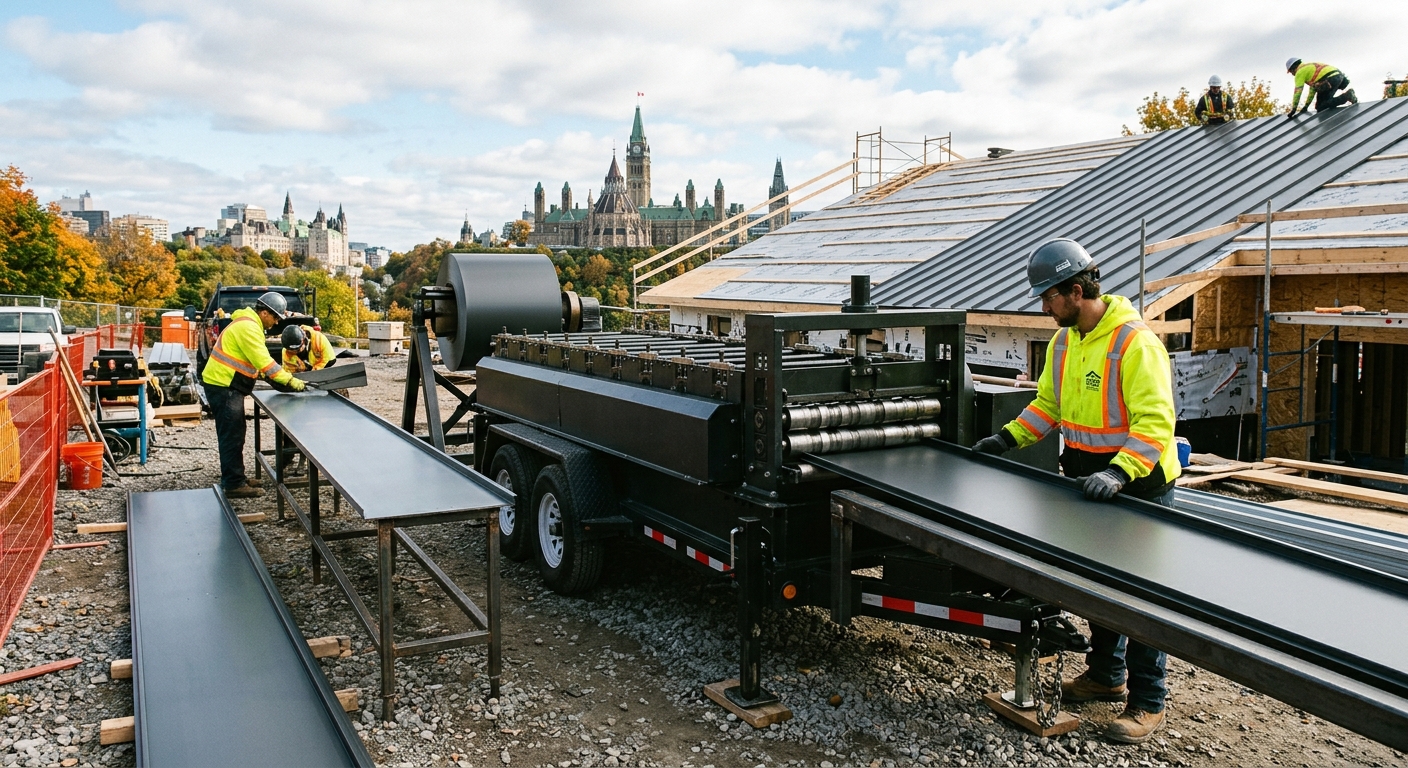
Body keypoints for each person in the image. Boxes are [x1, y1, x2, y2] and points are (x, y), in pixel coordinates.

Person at [972, 238, 1181, 744]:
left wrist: (1120, 472)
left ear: (1077, 290)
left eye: (1049, 297)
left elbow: (1156, 422)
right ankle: (1107, 675)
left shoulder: (1135, 343)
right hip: (1088, 480)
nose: (1044, 308)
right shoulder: (1065, 343)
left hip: (1138, 485)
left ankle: (1148, 702)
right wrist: (1006, 439)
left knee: (1140, 596)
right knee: (1098, 585)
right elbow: (1049, 405)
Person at [202, 292, 307, 498]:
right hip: (223, 385)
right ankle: (233, 484)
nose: (276, 322)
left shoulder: (248, 324)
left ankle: (237, 477)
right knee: (232, 435)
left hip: (225, 384)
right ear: (264, 312)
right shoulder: (248, 328)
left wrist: (268, 376)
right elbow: (266, 363)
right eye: (275, 317)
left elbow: (252, 362)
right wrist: (291, 381)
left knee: (236, 433)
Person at [1286, 58, 1357, 117]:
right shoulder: (1308, 67)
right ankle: (1344, 99)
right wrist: (1306, 107)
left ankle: (1347, 96)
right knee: (1323, 103)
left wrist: (1294, 109)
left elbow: (1298, 92)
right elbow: (1312, 91)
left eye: (1291, 72)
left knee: (1321, 106)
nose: (1292, 74)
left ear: (1293, 69)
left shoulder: (1300, 72)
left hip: (1329, 79)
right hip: (1339, 77)